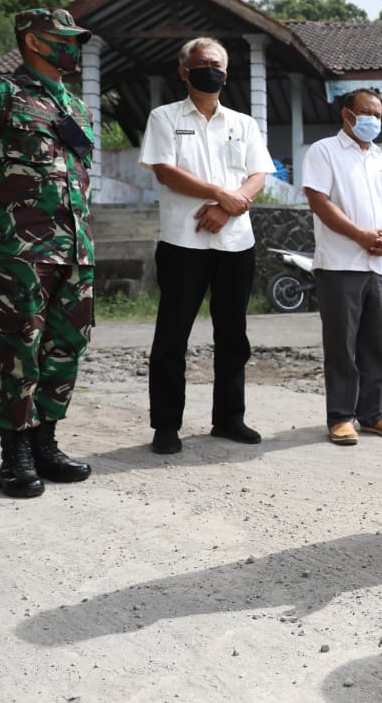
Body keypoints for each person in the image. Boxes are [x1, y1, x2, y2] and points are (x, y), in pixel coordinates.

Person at [0, 8, 97, 498]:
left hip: (75, 248)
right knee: (20, 348)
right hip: (22, 248)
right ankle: (14, 455)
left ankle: (45, 445)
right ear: (33, 41)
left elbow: (79, 179)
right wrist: (6, 224)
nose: (74, 47)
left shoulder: (76, 107)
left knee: (65, 346)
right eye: (65, 39)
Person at [139, 37, 275, 455]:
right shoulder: (164, 117)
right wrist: (221, 195)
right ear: (184, 71)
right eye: (201, 63)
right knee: (172, 337)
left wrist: (232, 207)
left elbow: (258, 174)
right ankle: (166, 426)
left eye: (217, 63)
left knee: (233, 335)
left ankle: (229, 418)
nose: (210, 69)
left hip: (236, 242)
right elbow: (166, 171)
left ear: (227, 73)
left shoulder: (243, 123)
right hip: (183, 242)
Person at [302, 88, 382, 446]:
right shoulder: (324, 151)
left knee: (378, 345)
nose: (373, 121)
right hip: (340, 263)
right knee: (342, 345)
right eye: (366, 113)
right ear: (346, 114)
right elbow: (319, 200)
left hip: (381, 264)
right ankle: (341, 417)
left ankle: (374, 414)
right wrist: (361, 235)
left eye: (378, 115)